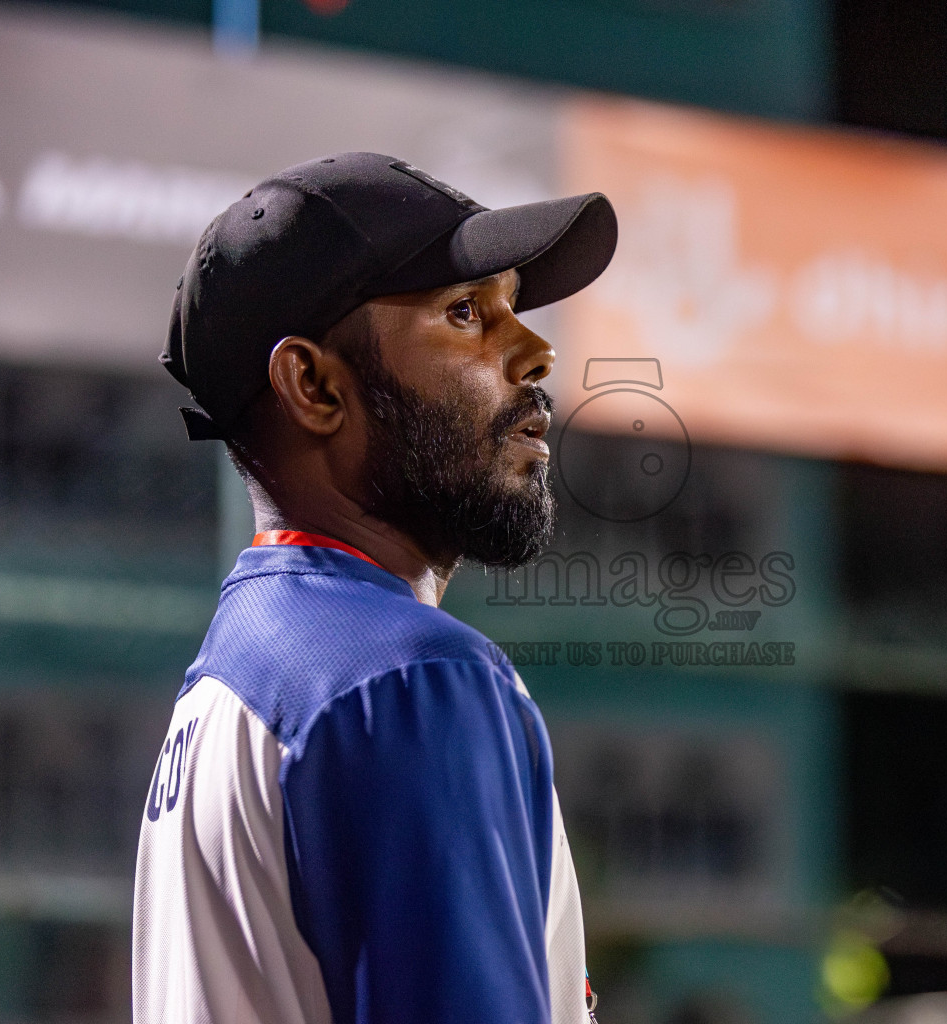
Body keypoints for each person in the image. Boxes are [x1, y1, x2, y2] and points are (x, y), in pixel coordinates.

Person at [132, 152, 616, 1024]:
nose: (537, 353)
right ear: (313, 385)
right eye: (466, 313)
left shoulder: (240, 672)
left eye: (514, 308)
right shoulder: (404, 678)